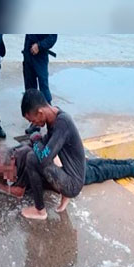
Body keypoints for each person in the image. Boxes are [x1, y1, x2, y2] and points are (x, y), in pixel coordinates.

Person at [0, 143, 134, 199]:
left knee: (99, 173)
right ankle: (127, 162)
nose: (4, 177)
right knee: (95, 164)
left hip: (65, 176)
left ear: (13, 160)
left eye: (4, 172)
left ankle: (130, 167)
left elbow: (19, 192)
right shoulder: (13, 154)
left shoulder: (26, 160)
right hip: (61, 165)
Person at [20, 89, 85, 220]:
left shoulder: (62, 124)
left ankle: (40, 211)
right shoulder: (54, 117)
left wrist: (36, 140)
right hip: (70, 173)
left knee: (32, 159)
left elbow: (44, 158)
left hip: (73, 184)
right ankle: (64, 195)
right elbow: (47, 143)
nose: (34, 124)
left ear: (40, 112)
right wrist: (36, 142)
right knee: (35, 153)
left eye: (33, 120)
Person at [22, 34, 57, 135]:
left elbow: (53, 37)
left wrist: (39, 46)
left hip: (40, 55)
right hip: (28, 54)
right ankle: (35, 123)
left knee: (44, 88)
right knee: (30, 91)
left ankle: (53, 122)